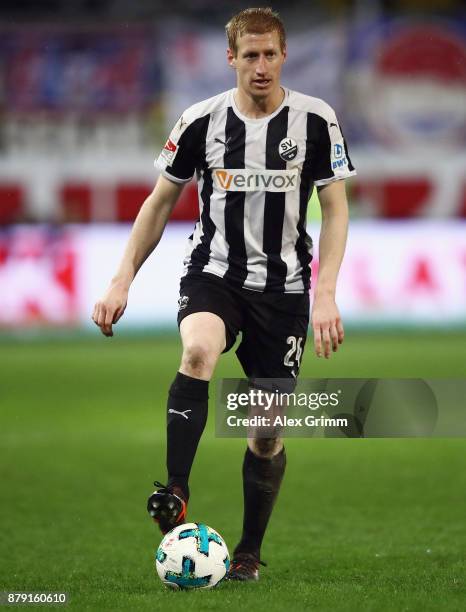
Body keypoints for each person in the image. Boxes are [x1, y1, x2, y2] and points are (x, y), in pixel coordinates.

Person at [92, 7, 355, 581]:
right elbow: (159, 203)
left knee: (265, 434)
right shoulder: (199, 121)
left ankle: (249, 553)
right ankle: (177, 491)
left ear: (284, 56)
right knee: (197, 353)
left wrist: (326, 294)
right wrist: (121, 279)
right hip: (214, 274)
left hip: (284, 291)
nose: (261, 67)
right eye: (250, 55)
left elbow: (335, 210)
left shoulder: (315, 121)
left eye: (270, 54)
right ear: (231, 58)